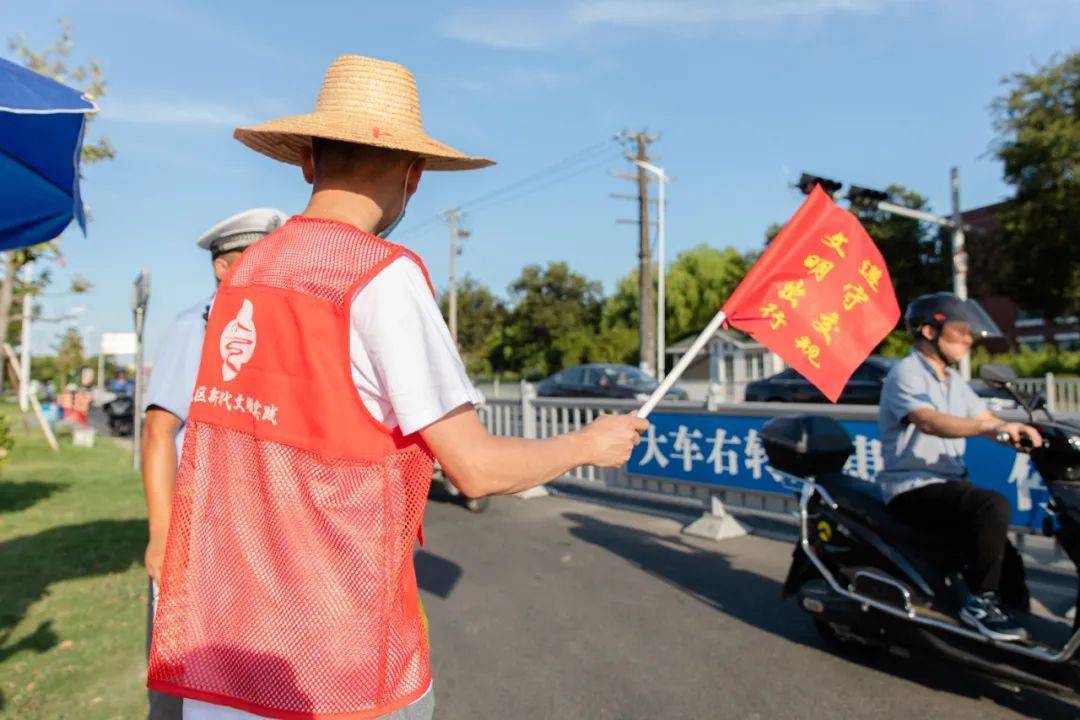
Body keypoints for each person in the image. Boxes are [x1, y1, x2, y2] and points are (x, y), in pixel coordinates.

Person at [147, 55, 648, 720]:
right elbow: (474, 468)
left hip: (228, 656)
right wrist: (589, 442)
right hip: (336, 668)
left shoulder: (246, 274)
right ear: (413, 175)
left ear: (306, 162)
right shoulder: (378, 276)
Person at [141, 207, 288, 720]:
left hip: (252, 540)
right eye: (255, 259)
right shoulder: (197, 328)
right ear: (223, 269)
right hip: (195, 535)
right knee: (180, 686)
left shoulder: (276, 327)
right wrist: (162, 534)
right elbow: (159, 430)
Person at [879, 292, 1042, 641]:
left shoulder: (955, 383)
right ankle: (980, 605)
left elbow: (985, 418)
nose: (969, 337)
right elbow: (929, 421)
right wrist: (990, 428)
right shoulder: (906, 374)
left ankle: (1023, 631)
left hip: (947, 485)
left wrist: (1020, 432)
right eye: (960, 329)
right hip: (912, 487)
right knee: (991, 505)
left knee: (1005, 553)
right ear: (929, 332)